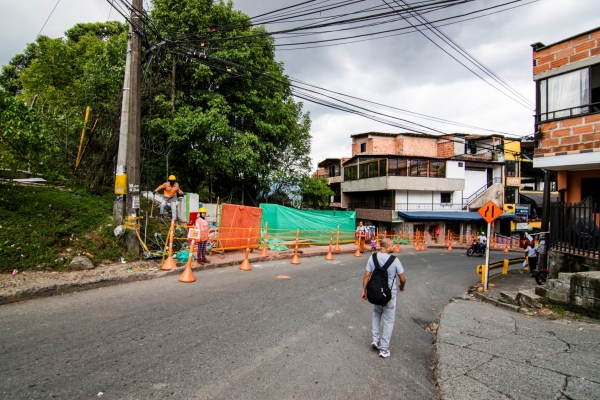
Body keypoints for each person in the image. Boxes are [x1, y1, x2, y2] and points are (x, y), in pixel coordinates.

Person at [361, 237, 406, 358]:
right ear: (386, 247)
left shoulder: (373, 257)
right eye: (392, 245)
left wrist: (363, 291)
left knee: (376, 314)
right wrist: (402, 286)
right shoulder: (395, 260)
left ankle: (375, 340)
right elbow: (402, 278)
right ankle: (384, 349)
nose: (394, 247)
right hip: (389, 296)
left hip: (376, 293)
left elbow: (366, 276)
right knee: (388, 321)